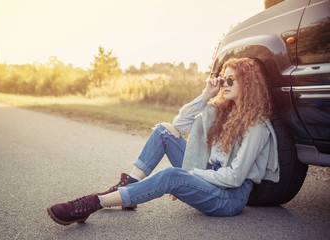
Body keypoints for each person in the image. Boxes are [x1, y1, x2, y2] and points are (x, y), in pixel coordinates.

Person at [47, 57, 280, 226]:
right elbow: (179, 123)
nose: (225, 85)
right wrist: (206, 95)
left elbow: (235, 177)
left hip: (229, 197)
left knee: (170, 176)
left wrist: (192, 176)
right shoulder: (224, 113)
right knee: (163, 131)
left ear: (248, 84)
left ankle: (92, 203)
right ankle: (127, 188)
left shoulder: (256, 126)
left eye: (231, 80)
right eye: (223, 79)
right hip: (209, 176)